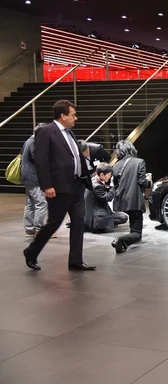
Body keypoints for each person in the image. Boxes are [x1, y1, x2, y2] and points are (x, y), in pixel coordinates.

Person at [22, 100, 96, 271]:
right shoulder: (46, 132)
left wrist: (85, 176)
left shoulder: (69, 133)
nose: (75, 118)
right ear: (63, 116)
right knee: (54, 223)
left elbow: (75, 156)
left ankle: (76, 261)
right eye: (73, 115)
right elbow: (41, 161)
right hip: (59, 187)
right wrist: (47, 185)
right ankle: (31, 252)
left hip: (76, 185)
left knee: (78, 223)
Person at [111, 140, 152, 253]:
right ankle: (121, 240)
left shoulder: (115, 165)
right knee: (137, 234)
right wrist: (148, 179)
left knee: (133, 226)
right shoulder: (139, 162)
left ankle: (124, 243)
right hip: (134, 200)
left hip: (121, 200)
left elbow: (115, 184)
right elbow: (142, 182)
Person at [20, 123, 54, 238]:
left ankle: (29, 228)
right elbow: (39, 159)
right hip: (34, 178)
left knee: (30, 203)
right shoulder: (35, 143)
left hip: (27, 177)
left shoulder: (28, 141)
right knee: (41, 203)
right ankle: (40, 230)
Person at [84, 163, 128, 233]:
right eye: (109, 174)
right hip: (97, 217)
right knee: (123, 217)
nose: (110, 176)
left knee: (120, 215)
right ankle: (102, 225)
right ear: (101, 174)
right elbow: (108, 197)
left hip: (92, 213)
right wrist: (112, 185)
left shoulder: (93, 180)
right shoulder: (96, 186)